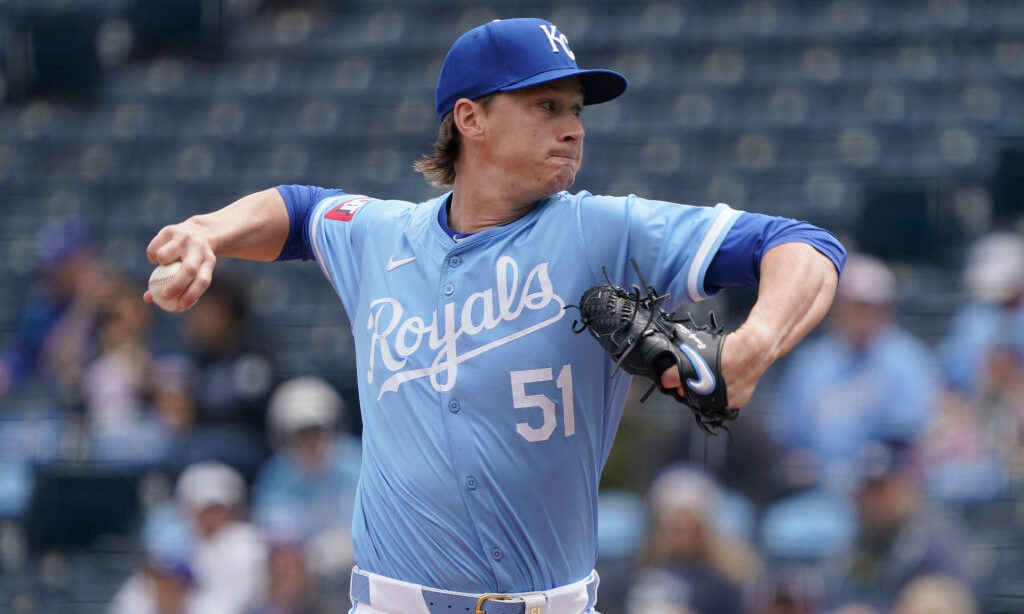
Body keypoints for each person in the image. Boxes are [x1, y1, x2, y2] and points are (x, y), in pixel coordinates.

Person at [144, 18, 844, 613]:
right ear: (470, 118)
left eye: (576, 110)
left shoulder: (603, 233)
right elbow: (298, 210)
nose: (573, 129)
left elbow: (804, 245)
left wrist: (756, 342)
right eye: (546, 106)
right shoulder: (381, 238)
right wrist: (208, 233)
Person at [769, 253, 939, 494]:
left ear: (885, 308)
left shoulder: (908, 360)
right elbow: (788, 433)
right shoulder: (811, 362)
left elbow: (906, 436)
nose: (861, 315)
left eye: (869, 306)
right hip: (816, 489)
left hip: (884, 489)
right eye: (853, 305)